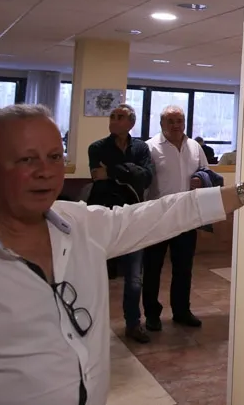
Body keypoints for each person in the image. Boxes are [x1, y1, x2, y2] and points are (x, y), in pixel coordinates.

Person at [0, 104, 244, 405]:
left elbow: (161, 213)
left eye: (55, 157)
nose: (45, 171)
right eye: (27, 159)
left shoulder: (81, 224)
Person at [87, 104, 154, 343]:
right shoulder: (97, 148)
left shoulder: (141, 148)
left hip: (133, 217)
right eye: (112, 116)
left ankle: (133, 324)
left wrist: (114, 172)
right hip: (102, 216)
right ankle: (89, 325)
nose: (114, 120)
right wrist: (130, 173)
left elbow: (146, 178)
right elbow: (98, 177)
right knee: (96, 276)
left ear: (131, 123)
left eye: (120, 117)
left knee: (134, 278)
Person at [142, 106, 208, 330]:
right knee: (152, 268)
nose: (176, 125)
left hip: (187, 216)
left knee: (183, 268)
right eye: (170, 121)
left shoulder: (194, 147)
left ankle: (181, 311)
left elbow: (206, 172)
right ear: (162, 123)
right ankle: (152, 315)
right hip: (157, 217)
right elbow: (144, 183)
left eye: (179, 120)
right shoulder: (150, 147)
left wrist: (201, 179)